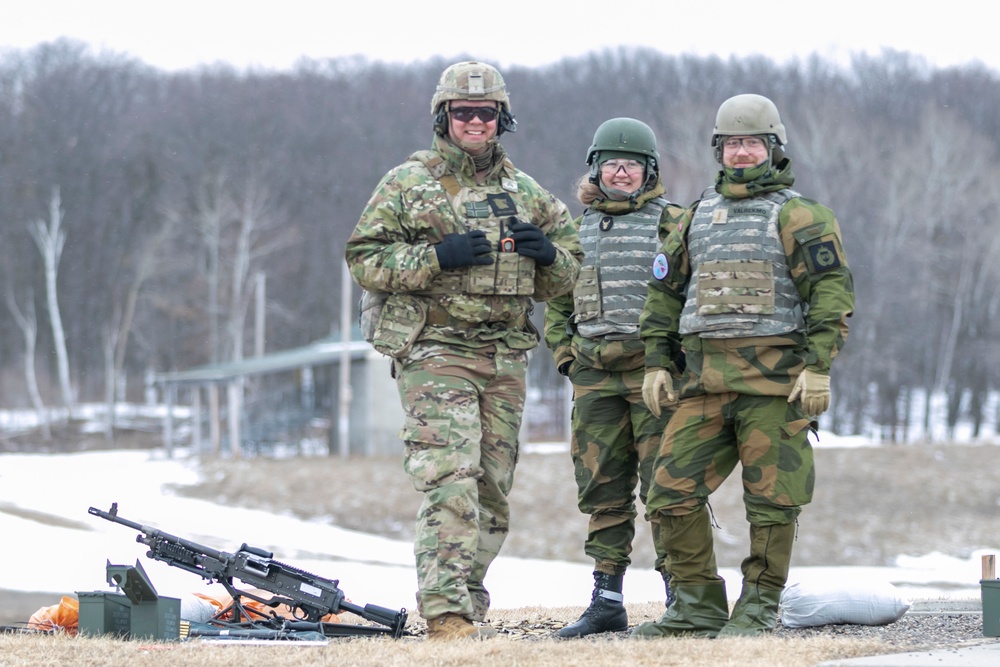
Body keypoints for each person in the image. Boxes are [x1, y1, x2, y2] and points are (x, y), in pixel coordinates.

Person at [344, 61, 581, 641]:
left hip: (504, 354)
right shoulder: (408, 183)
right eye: (463, 113)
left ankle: (469, 599)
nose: (475, 123)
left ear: (503, 118)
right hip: (436, 351)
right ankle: (445, 609)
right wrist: (434, 258)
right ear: (443, 117)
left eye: (486, 113)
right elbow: (363, 257)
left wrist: (547, 256)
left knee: (492, 487)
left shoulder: (526, 193)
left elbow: (571, 270)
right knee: (450, 476)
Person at [633, 93, 855, 638]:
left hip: (774, 386)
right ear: (718, 148)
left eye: (752, 143)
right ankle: (697, 605)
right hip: (704, 382)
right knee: (669, 490)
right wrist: (658, 363)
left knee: (773, 499)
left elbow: (830, 292)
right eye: (732, 143)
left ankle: (758, 605)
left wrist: (819, 365)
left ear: (773, 148)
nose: (741, 153)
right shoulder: (693, 217)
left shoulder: (800, 215)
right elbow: (664, 295)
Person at [543, 118, 687, 637]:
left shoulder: (674, 223)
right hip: (595, 377)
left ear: (648, 171)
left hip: (655, 376)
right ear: (596, 169)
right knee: (602, 488)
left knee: (666, 487)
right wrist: (566, 357)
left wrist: (674, 362)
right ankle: (606, 599)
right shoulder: (573, 230)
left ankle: (682, 597)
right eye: (611, 163)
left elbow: (690, 296)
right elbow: (557, 299)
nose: (620, 171)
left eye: (631, 164)